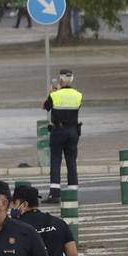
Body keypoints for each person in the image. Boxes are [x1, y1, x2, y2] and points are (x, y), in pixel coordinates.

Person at [42, 70, 82, 203]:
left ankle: (54, 194)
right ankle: (73, 192)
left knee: (56, 161)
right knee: (71, 161)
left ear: (60, 80)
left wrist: (53, 91)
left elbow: (46, 107)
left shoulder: (55, 95)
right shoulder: (78, 95)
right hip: (73, 131)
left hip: (58, 131)